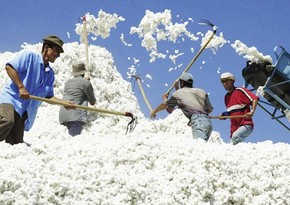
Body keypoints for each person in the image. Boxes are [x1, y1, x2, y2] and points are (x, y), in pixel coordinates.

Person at [0, 35, 75, 145]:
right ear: (46, 48)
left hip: (23, 111)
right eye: (57, 51)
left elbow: (48, 96)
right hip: (10, 101)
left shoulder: (50, 74)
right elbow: (9, 67)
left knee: (17, 145)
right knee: (7, 120)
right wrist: (21, 87)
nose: (58, 55)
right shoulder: (29, 57)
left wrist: (63, 103)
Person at [150, 72, 213, 141]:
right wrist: (202, 115)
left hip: (198, 122)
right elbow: (210, 109)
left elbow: (165, 106)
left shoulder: (178, 94)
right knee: (203, 146)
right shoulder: (201, 91)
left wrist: (155, 111)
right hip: (208, 123)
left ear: (182, 82)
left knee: (200, 146)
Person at [220, 72, 259, 145]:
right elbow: (231, 111)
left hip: (246, 125)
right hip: (234, 129)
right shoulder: (226, 98)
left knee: (235, 137)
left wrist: (252, 111)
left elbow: (254, 98)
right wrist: (225, 115)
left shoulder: (240, 91)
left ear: (232, 81)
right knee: (233, 144)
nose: (225, 83)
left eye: (227, 80)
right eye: (223, 81)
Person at [59, 62, 96, 136]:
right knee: (74, 142)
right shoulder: (86, 83)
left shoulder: (67, 82)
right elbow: (92, 102)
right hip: (75, 117)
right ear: (83, 72)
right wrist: (88, 83)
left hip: (63, 115)